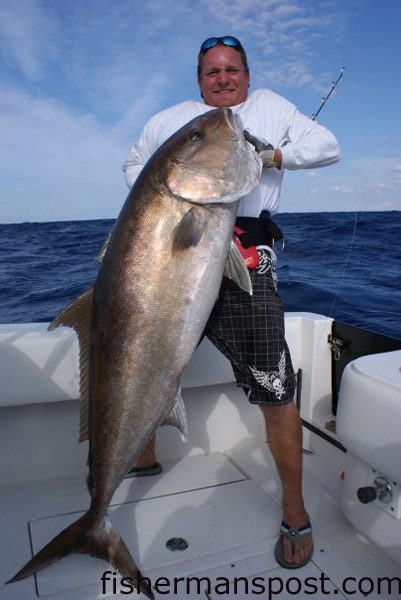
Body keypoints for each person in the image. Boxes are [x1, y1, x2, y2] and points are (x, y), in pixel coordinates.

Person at [122, 36, 340, 569]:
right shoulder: (170, 118)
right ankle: (141, 457)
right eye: (212, 71)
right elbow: (134, 165)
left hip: (247, 257)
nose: (223, 78)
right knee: (154, 356)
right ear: (199, 78)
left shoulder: (270, 106)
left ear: (247, 74)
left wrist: (272, 154)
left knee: (274, 384)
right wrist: (165, 200)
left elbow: (328, 147)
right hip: (179, 250)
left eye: (232, 70)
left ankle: (293, 508)